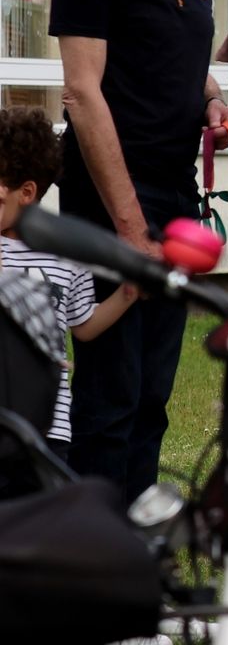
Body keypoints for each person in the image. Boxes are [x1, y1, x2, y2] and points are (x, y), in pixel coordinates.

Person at [49, 0, 228, 502]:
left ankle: (133, 559)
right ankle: (89, 569)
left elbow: (173, 56)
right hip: (107, 201)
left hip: (175, 193)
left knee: (153, 391)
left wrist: (209, 97)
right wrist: (130, 229)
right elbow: (82, 92)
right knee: (111, 395)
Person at [0, 106, 137, 463]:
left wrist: (128, 294)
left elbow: (84, 326)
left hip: (50, 424)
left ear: (26, 192)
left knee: (37, 513)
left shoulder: (67, 255)